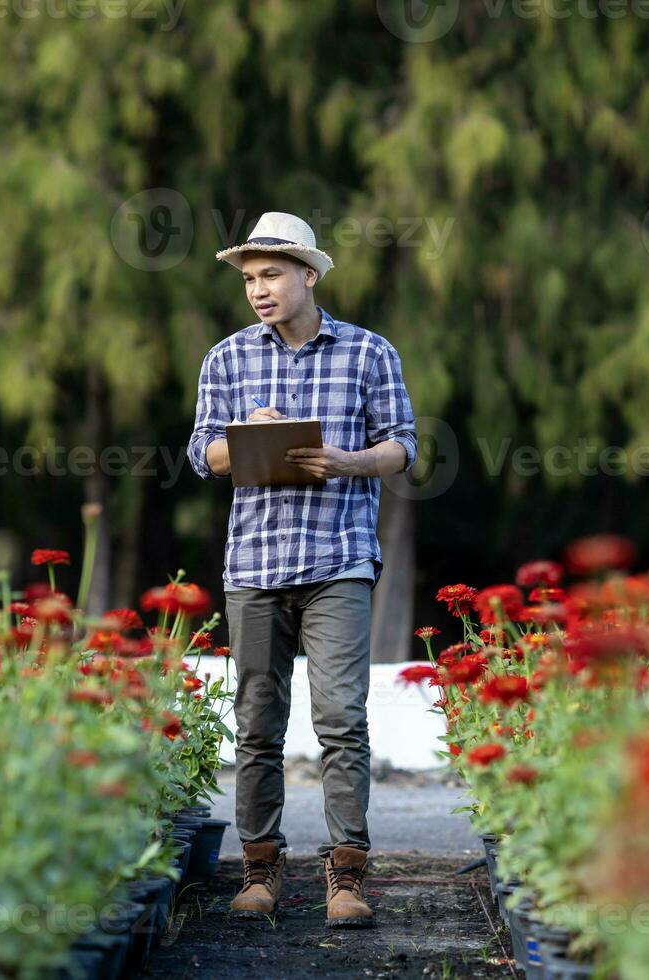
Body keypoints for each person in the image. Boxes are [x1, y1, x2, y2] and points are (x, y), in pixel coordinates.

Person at [186, 211, 418, 929]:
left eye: (272, 276)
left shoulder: (368, 353)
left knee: (342, 719)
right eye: (251, 279)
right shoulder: (226, 359)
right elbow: (203, 455)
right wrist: (248, 436)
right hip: (254, 563)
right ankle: (260, 870)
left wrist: (349, 462)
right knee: (256, 721)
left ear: (309, 276)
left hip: (338, 557)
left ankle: (346, 877)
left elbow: (403, 446)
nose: (258, 290)